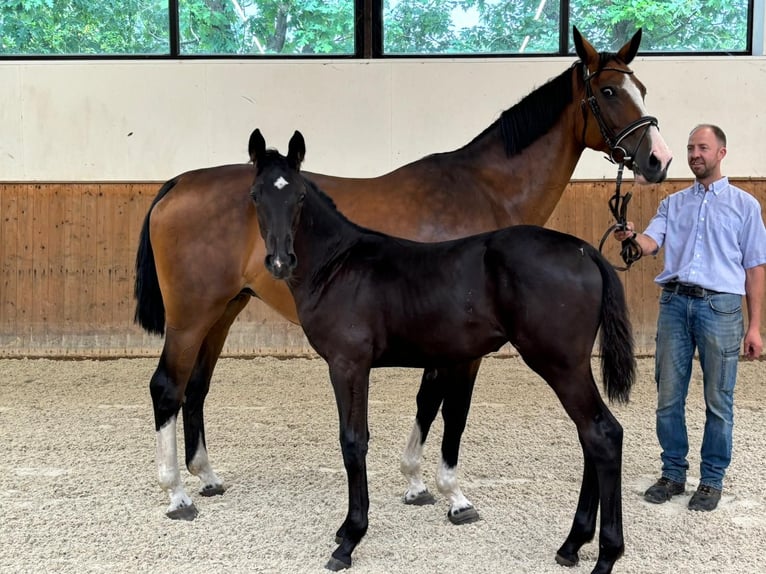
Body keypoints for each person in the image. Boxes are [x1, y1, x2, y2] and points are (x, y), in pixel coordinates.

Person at [615, 124, 766, 511]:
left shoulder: (745, 206)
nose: (694, 154)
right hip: (675, 305)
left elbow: (754, 268)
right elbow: (650, 244)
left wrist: (754, 327)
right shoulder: (672, 204)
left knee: (719, 399)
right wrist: (631, 236)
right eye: (690, 148)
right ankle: (673, 473)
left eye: (702, 147)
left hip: (722, 308)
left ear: (721, 153)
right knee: (668, 397)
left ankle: (711, 480)